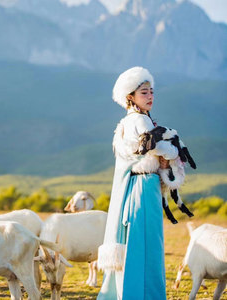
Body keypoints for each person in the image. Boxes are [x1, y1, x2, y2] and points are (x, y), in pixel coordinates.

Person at [97, 67, 178, 300]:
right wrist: (174, 149)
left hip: (132, 188)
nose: (150, 96)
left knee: (134, 243)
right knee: (146, 246)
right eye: (144, 92)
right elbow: (156, 146)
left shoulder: (124, 123)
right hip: (144, 187)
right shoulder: (141, 120)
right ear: (130, 96)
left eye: (152, 91)